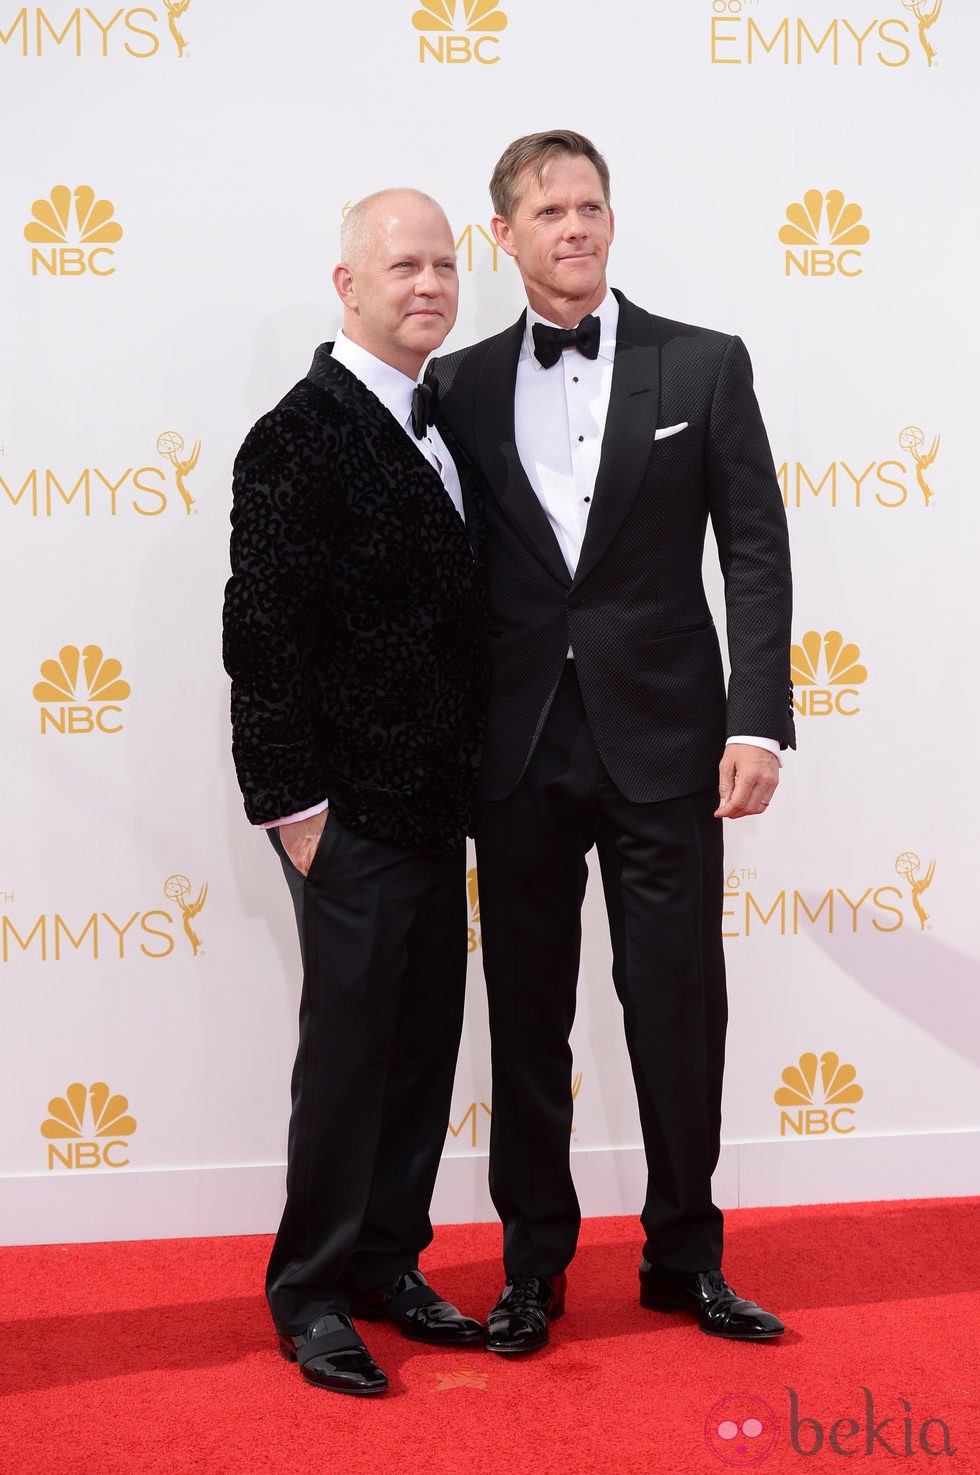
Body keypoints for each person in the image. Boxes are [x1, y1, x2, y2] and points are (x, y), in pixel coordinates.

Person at [433, 131, 795, 1354]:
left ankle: (684, 1257)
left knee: (676, 1007)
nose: (573, 227)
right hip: (519, 747)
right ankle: (532, 1267)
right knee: (524, 1014)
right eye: (547, 211)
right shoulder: (461, 385)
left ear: (608, 219)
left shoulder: (699, 366)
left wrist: (756, 718)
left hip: (671, 745)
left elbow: (752, 547)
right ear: (506, 237)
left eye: (589, 205)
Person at [222, 188, 488, 1395]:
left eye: (442, 264)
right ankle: (312, 1289)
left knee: (421, 1050)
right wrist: (295, 810)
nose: (427, 283)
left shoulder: (438, 419)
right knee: (346, 1057)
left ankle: (389, 1261)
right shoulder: (300, 433)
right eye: (401, 266)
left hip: (437, 806)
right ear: (347, 283)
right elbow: (262, 635)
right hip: (348, 816)